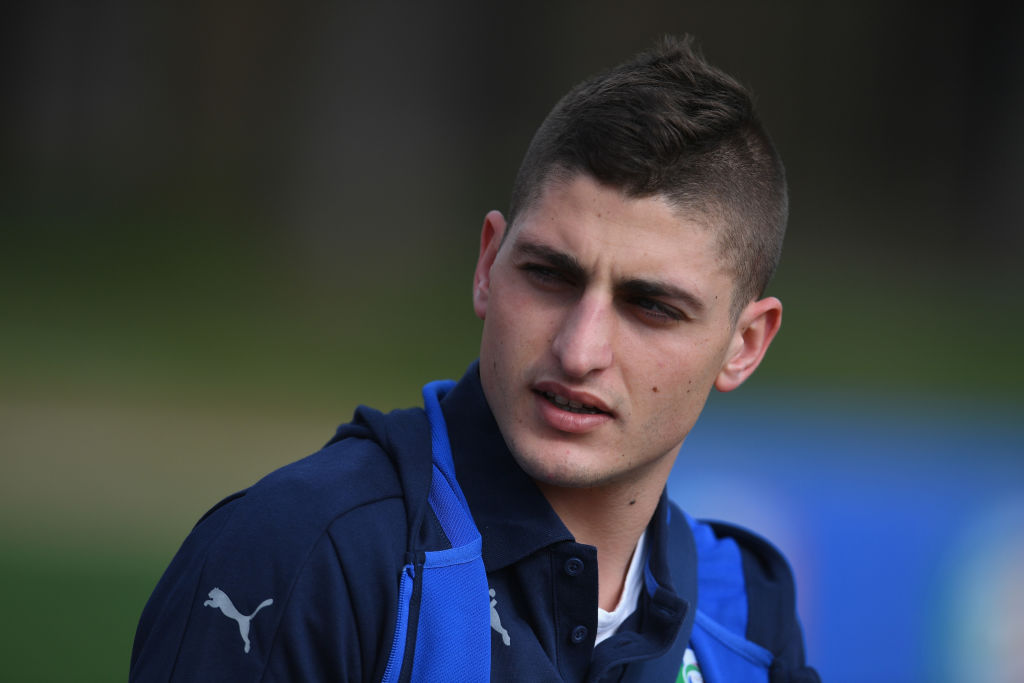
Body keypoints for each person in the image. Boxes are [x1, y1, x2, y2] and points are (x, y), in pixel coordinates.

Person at [130, 35, 819, 682]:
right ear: (489, 264)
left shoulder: (745, 611)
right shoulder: (307, 554)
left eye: (651, 307)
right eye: (549, 274)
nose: (579, 350)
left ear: (745, 345)